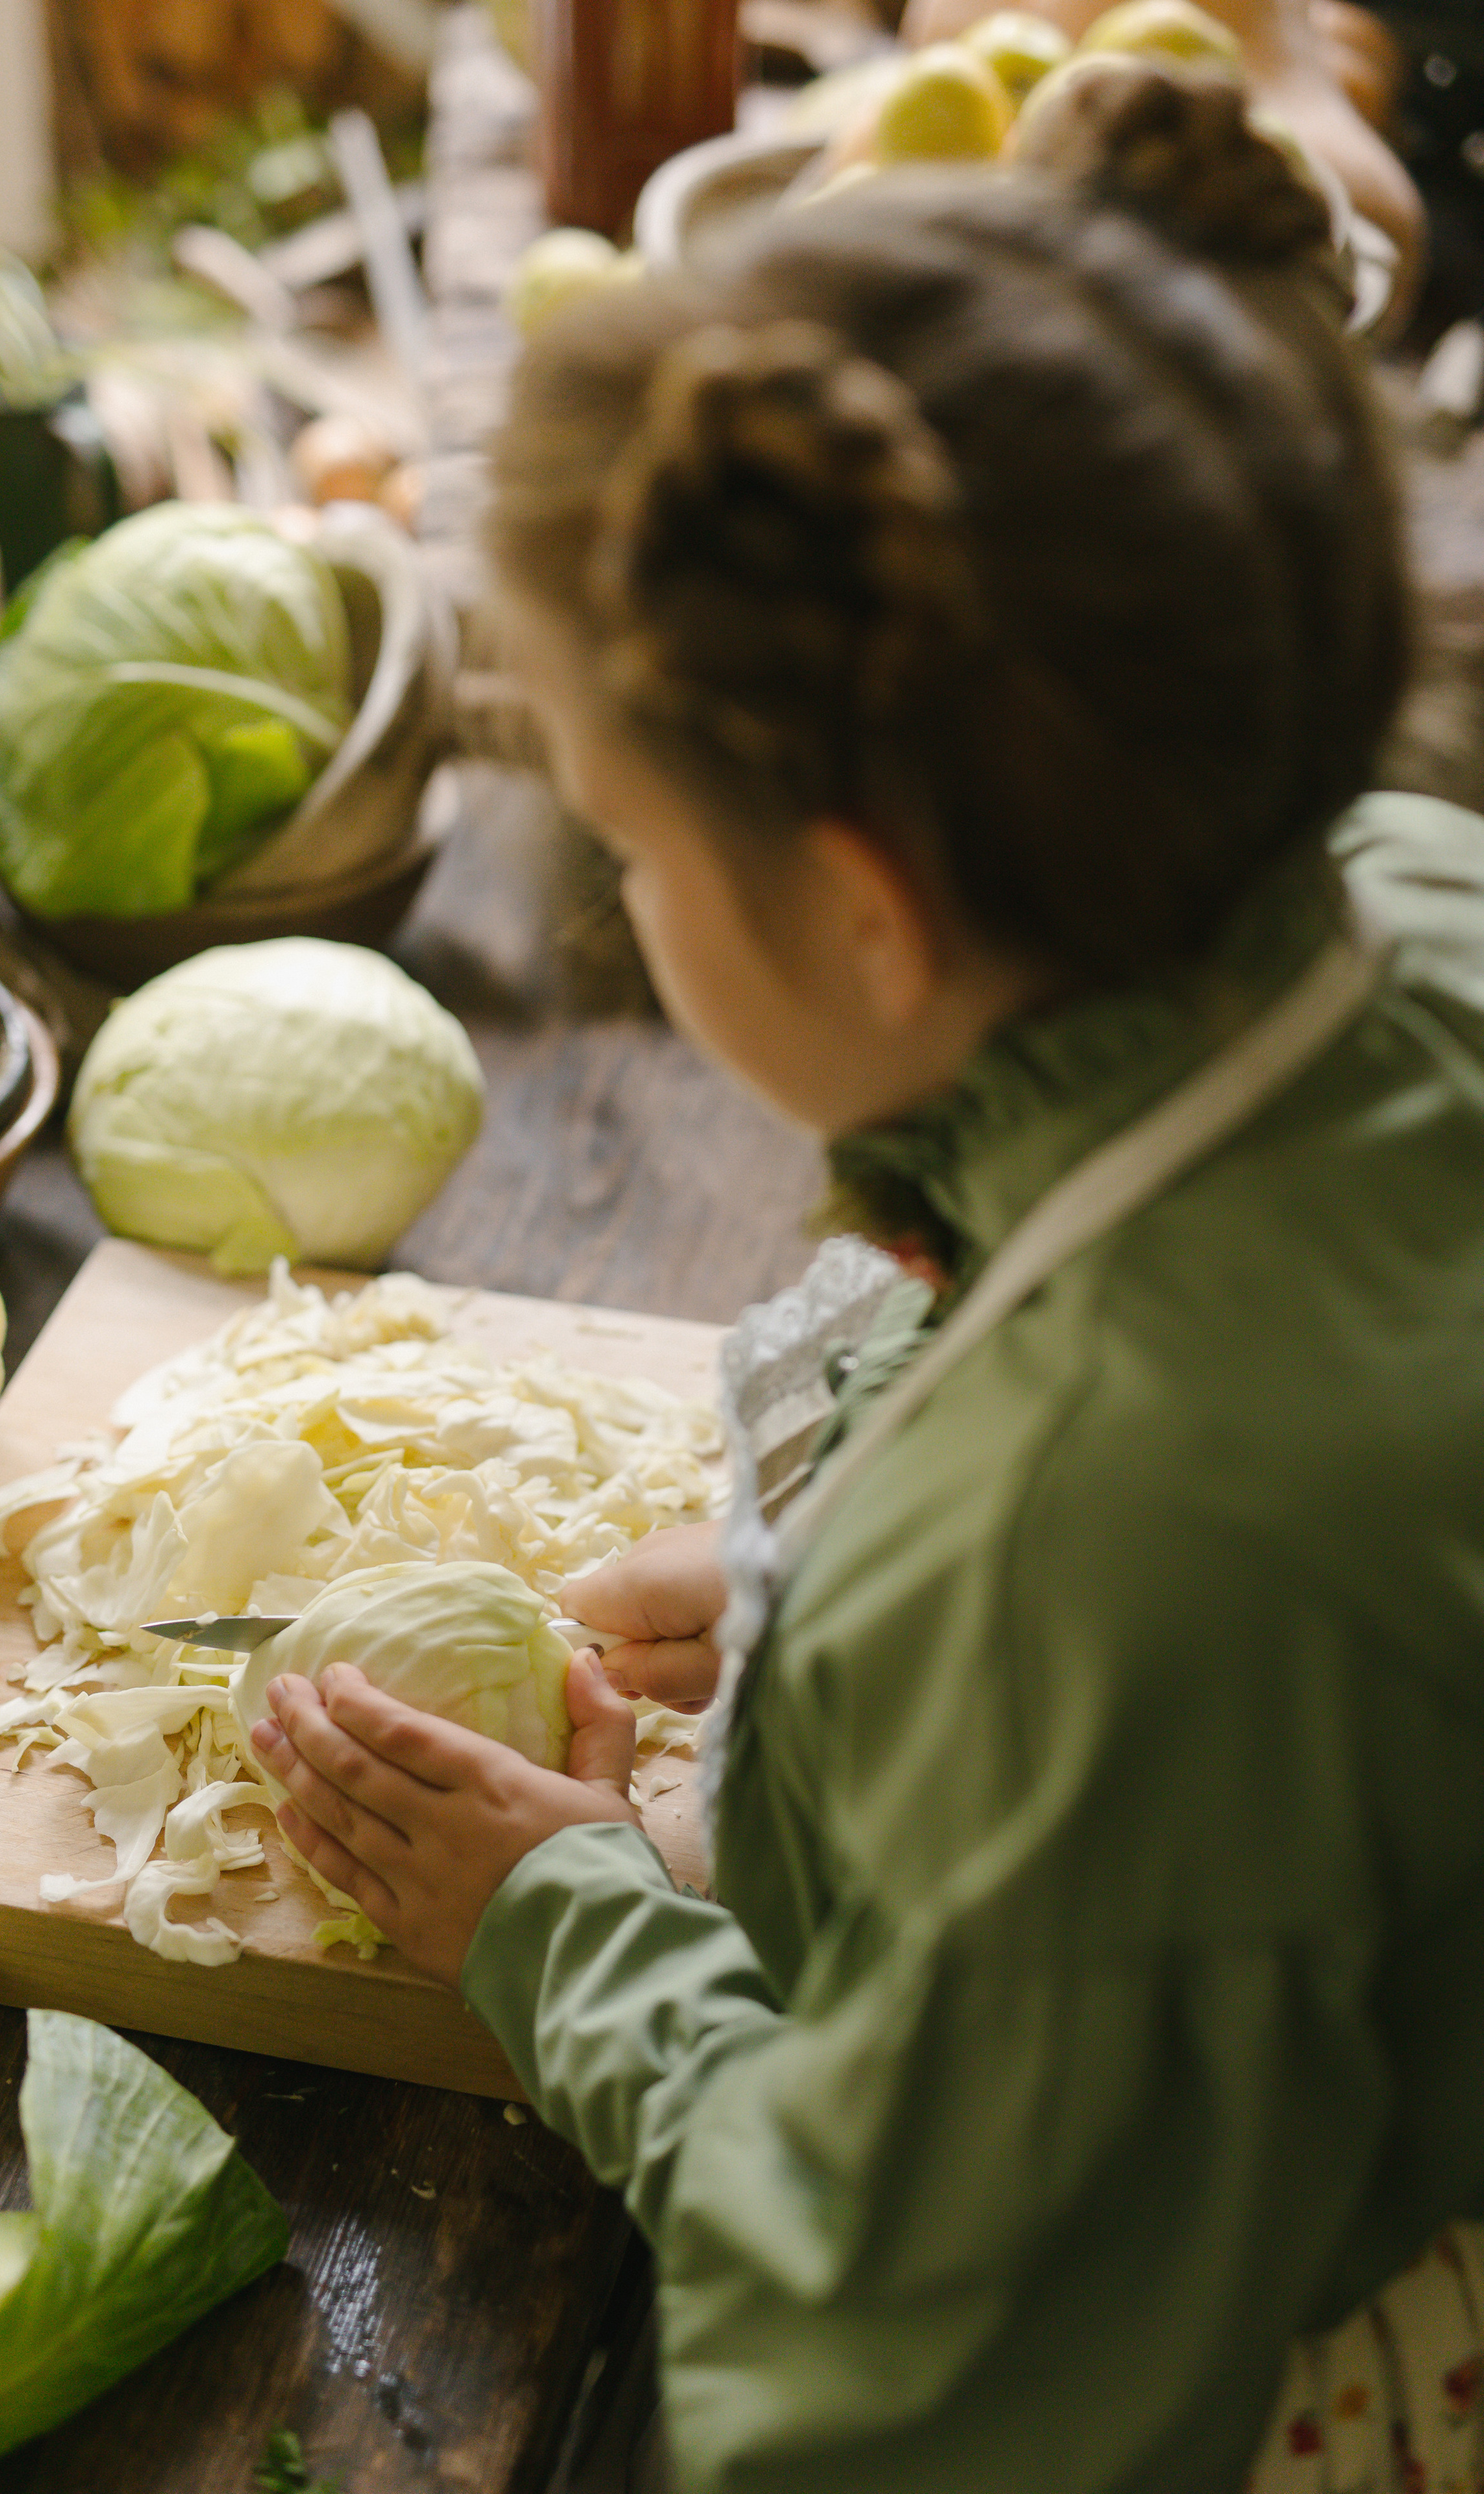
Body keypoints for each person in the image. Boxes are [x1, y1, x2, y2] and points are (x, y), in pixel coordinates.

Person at [249, 64, 1484, 2494]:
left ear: (865, 904)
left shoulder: (1074, 1583)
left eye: (632, 848)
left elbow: (910, 2378)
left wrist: (566, 1925)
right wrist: (872, 1532)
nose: (626, 906)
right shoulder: (1403, 886)